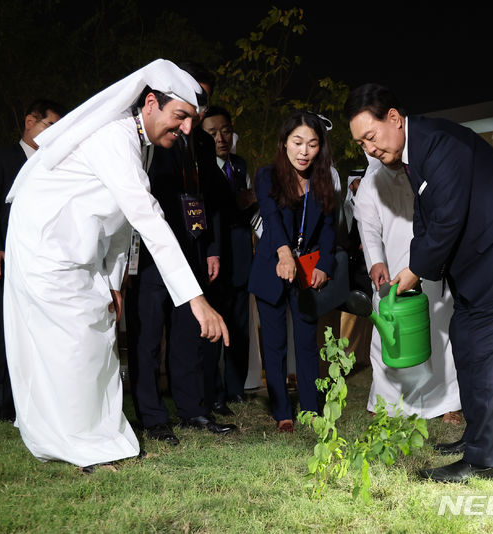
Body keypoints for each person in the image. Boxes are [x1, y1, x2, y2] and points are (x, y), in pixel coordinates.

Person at [2, 59, 229, 470]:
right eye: (180, 117)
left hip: (81, 252)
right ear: (149, 103)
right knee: (73, 347)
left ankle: (93, 436)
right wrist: (196, 300)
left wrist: (114, 282)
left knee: (96, 342)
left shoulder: (137, 140)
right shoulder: (113, 137)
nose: (186, 130)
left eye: (192, 121)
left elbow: (122, 224)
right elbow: (147, 217)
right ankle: (81, 447)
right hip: (48, 248)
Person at [347, 83, 493, 482]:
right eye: (362, 144)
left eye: (371, 138)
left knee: (490, 354)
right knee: (464, 338)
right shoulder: (414, 152)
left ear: (393, 118)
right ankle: (476, 435)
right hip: (480, 264)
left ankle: (483, 462)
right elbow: (427, 218)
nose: (369, 150)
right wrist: (415, 264)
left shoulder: (439, 144)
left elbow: (447, 219)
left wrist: (413, 270)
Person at [125, 64, 236, 447]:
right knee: (148, 335)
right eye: (189, 104)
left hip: (193, 248)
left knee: (189, 334)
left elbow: (214, 201)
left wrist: (213, 248)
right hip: (154, 251)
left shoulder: (199, 143)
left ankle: (192, 410)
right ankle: (153, 416)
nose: (196, 113)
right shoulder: (147, 137)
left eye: (201, 103)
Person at [352, 154, 462, 423]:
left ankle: (448, 403)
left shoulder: (422, 171)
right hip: (389, 268)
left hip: (430, 264)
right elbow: (368, 227)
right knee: (387, 335)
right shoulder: (370, 182)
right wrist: (376, 261)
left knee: (440, 329)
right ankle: (386, 402)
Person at [0, 99, 67, 421]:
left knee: (39, 334)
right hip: (8, 261)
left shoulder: (58, 165)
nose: (55, 134)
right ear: (30, 120)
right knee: (3, 331)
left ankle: (33, 401)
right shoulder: (1, 158)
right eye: (50, 126)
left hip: (47, 265)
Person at [248, 111, 336, 433]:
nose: (304, 152)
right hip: (273, 268)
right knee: (274, 344)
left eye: (312, 144)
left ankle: (310, 408)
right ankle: (282, 411)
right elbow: (269, 218)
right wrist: (284, 253)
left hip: (306, 273)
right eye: (297, 142)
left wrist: (325, 264)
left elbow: (328, 229)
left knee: (306, 342)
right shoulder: (267, 175)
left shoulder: (324, 180)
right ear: (284, 142)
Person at [201, 105, 257, 411]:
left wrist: (248, 201)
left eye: (225, 130)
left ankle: (237, 388)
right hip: (213, 251)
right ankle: (215, 391)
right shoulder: (200, 166)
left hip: (239, 249)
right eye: (212, 133)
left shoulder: (239, 164)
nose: (221, 137)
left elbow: (243, 207)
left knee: (240, 323)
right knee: (215, 323)